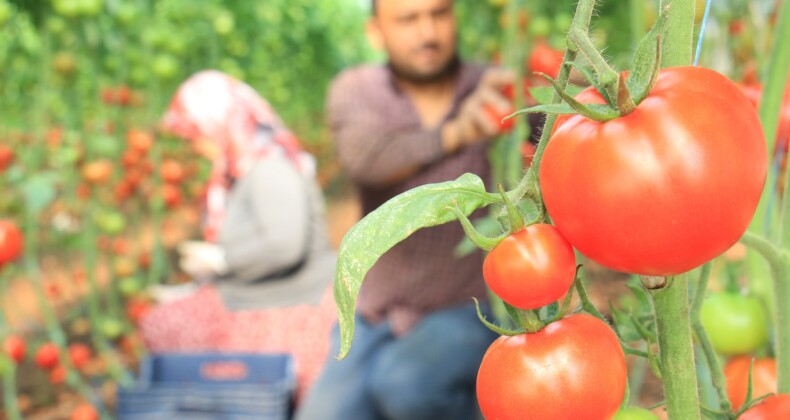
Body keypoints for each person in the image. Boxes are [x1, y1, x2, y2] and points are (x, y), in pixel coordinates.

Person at [294, 0, 519, 419]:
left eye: (439, 14)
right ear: (375, 32)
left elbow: (550, 136)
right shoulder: (357, 89)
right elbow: (367, 158)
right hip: (377, 313)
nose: (428, 33)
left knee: (404, 386)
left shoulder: (490, 87)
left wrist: (557, 83)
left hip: (465, 306)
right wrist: (458, 132)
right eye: (408, 20)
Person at [140, 70, 337, 400]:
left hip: (292, 299)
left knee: (167, 326)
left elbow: (285, 246)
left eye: (199, 135)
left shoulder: (270, 168)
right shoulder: (246, 168)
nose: (197, 146)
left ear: (221, 124)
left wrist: (222, 259)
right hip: (265, 292)